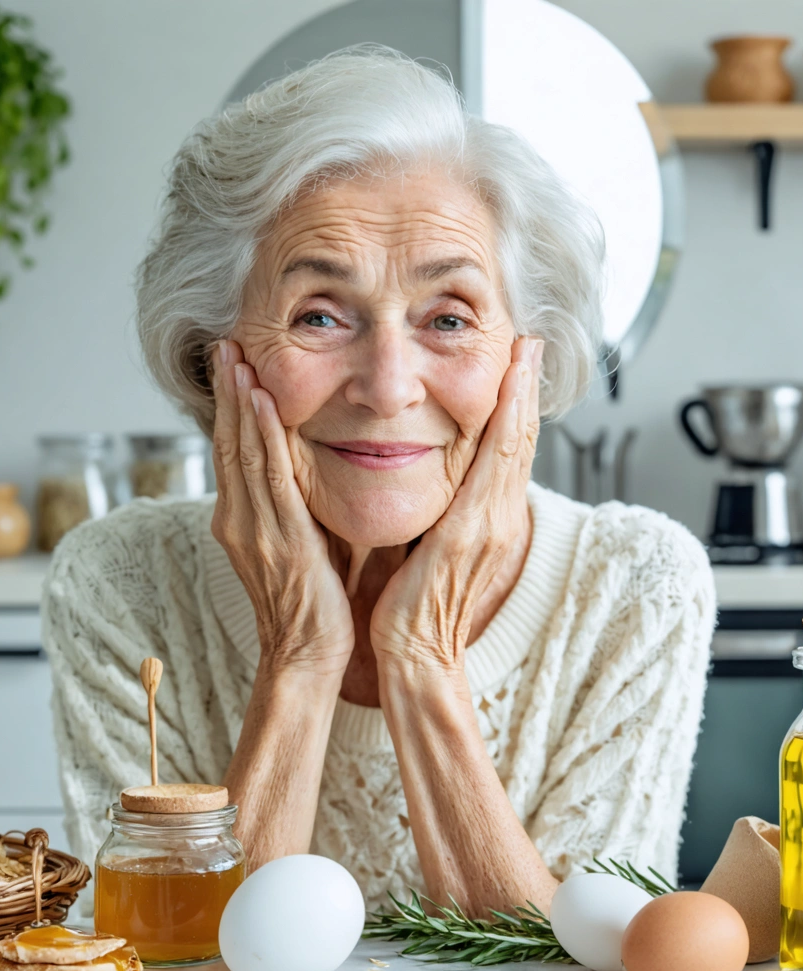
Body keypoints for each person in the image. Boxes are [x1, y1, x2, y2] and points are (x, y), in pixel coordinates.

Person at [44, 44, 715, 916]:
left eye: (448, 317)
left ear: (527, 364)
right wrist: (300, 654)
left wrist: (421, 658)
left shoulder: (634, 585)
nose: (389, 385)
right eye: (319, 314)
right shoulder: (120, 586)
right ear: (214, 357)